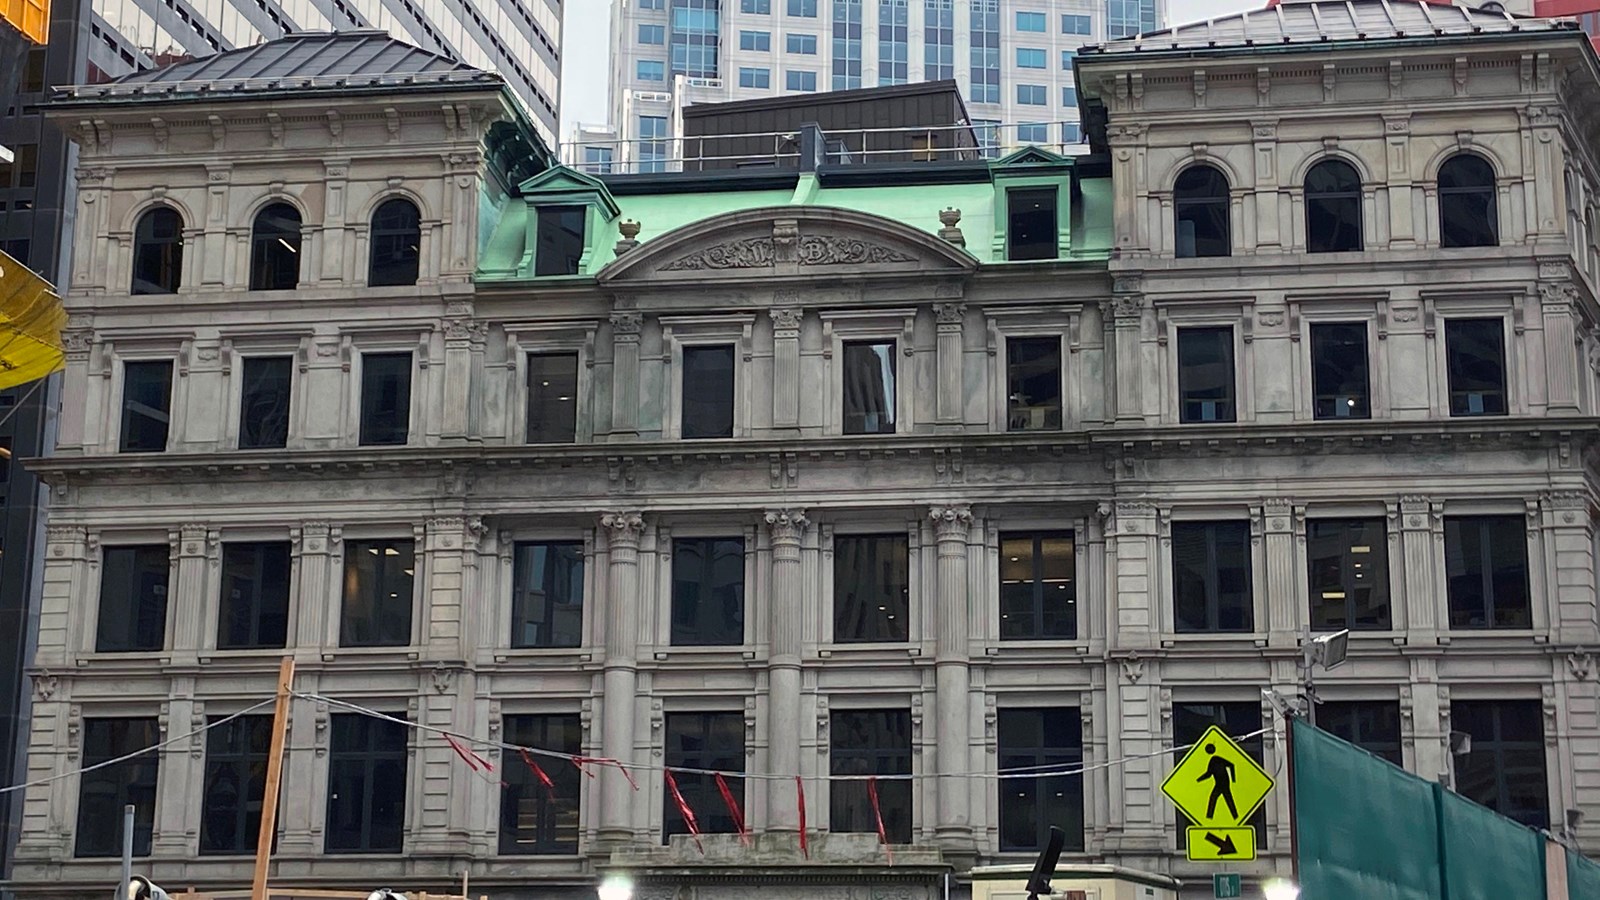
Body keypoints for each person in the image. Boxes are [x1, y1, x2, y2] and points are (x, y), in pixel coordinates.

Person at [1197, 743, 1237, 820]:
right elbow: (1208, 774)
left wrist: (1233, 779)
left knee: (1219, 798)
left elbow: (1231, 765)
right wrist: (1198, 780)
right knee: (1222, 798)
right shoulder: (1212, 761)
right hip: (1219, 783)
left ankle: (1209, 817)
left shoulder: (1216, 759)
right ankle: (1210, 817)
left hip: (1223, 783)